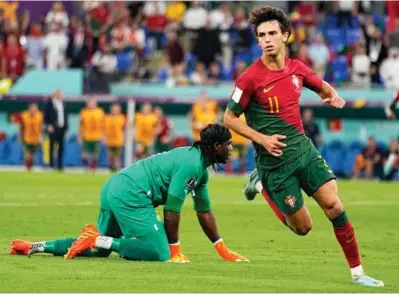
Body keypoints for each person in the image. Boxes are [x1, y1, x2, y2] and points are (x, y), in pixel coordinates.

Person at [223, 6, 383, 287]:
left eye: (272, 33)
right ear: (257, 40)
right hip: (274, 162)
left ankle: (358, 274)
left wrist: (332, 95)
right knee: (303, 228)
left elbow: (321, 86)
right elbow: (229, 118)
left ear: (285, 35)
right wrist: (261, 139)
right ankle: (260, 184)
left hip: (304, 151)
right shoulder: (249, 79)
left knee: (334, 205)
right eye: (261, 35)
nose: (267, 39)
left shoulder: (297, 69)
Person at [10, 124, 248, 263]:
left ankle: (35, 246)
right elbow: (172, 210)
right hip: (132, 195)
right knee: (159, 252)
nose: (231, 148)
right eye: (228, 144)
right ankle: (96, 237)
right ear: (216, 147)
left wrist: (222, 249)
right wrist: (174, 252)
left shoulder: (199, 169)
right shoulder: (191, 164)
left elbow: (204, 212)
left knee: (101, 250)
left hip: (115, 187)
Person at [44, 89, 68, 171]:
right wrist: (48, 125)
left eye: (60, 94)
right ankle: (51, 164)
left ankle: (60, 165)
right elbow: (46, 115)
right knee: (52, 147)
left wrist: (66, 128)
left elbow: (65, 116)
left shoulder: (63, 104)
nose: (60, 95)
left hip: (62, 128)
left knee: (61, 148)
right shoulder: (50, 103)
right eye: (58, 94)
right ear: (54, 94)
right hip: (53, 128)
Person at [79, 97, 105, 172]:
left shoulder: (100, 112)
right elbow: (81, 125)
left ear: (95, 104)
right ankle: (87, 167)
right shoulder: (83, 112)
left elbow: (103, 125)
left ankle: (93, 169)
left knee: (95, 155)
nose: (91, 105)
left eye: (93, 103)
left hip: (97, 137)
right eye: (90, 103)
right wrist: (79, 136)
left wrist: (103, 136)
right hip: (86, 136)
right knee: (84, 155)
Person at [20, 103, 43, 171]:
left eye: (35, 108)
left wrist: (41, 137)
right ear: (29, 109)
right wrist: (20, 136)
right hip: (26, 137)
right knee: (27, 154)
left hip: (36, 138)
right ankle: (27, 166)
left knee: (32, 155)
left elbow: (41, 127)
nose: (34, 109)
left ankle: (30, 166)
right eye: (32, 108)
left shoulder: (40, 115)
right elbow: (21, 127)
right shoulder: (24, 115)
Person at [105, 103, 126, 172]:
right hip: (110, 140)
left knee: (117, 156)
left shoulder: (122, 117)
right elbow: (104, 129)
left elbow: (124, 129)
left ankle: (118, 169)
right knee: (110, 156)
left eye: (116, 109)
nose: (115, 111)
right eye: (114, 109)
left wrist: (124, 138)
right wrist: (104, 137)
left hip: (118, 140)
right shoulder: (107, 118)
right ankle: (111, 168)